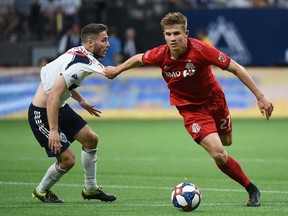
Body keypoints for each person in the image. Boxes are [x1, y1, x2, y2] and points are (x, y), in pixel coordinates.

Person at [104, 12, 274, 207]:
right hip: (191, 110)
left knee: (227, 142)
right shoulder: (160, 54)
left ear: (186, 33)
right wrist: (117, 70)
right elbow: (139, 58)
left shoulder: (201, 50)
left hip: (215, 101)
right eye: (168, 34)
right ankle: (251, 189)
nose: (172, 38)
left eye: (176, 33)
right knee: (219, 153)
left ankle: (217, 134)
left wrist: (260, 97)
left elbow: (236, 68)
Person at [28, 23, 116, 203]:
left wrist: (81, 101)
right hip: (42, 114)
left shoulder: (78, 52)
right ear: (91, 43)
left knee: (91, 138)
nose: (108, 44)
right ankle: (41, 191)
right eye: (104, 40)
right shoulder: (81, 63)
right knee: (68, 160)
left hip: (59, 107)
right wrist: (53, 130)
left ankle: (90, 189)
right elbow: (53, 94)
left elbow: (61, 81)